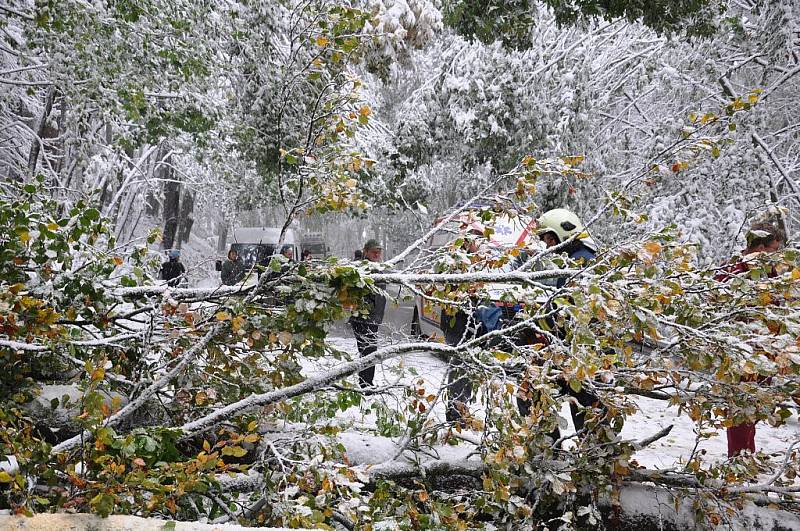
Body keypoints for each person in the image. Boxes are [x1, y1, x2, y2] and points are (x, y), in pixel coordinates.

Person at [517, 208, 609, 442]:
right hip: (572, 353)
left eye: (550, 238)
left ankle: (556, 456)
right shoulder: (579, 259)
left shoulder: (580, 264)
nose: (548, 246)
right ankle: (588, 460)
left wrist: (533, 322)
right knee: (581, 412)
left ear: (564, 233)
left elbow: (565, 312)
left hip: (580, 355)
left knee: (533, 397)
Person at [716, 217, 786, 457]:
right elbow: (717, 311)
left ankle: (747, 456)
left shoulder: (770, 274)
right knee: (740, 410)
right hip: (741, 353)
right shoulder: (733, 273)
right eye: (774, 250)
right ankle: (739, 459)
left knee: (752, 411)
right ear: (759, 247)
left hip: (765, 353)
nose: (776, 256)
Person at [349, 239, 386, 387]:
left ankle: (365, 382)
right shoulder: (362, 268)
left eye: (379, 251)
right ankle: (366, 384)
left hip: (373, 318)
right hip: (363, 318)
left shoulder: (376, 267)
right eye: (373, 251)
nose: (377, 254)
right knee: (369, 351)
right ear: (366, 251)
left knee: (368, 351)